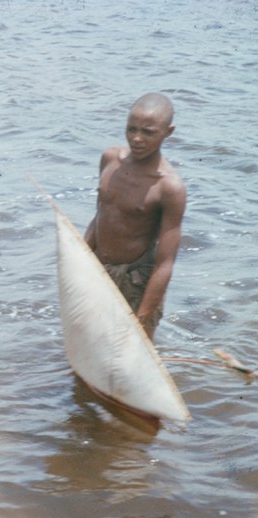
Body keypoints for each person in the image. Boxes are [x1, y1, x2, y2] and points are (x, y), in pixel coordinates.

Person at [84, 92, 186, 340]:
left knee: (132, 352)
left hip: (137, 281)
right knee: (88, 345)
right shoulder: (110, 159)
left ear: (168, 132)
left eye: (148, 132)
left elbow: (165, 263)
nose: (137, 139)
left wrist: (142, 317)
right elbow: (100, 216)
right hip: (98, 269)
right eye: (131, 129)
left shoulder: (169, 187)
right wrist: (81, 260)